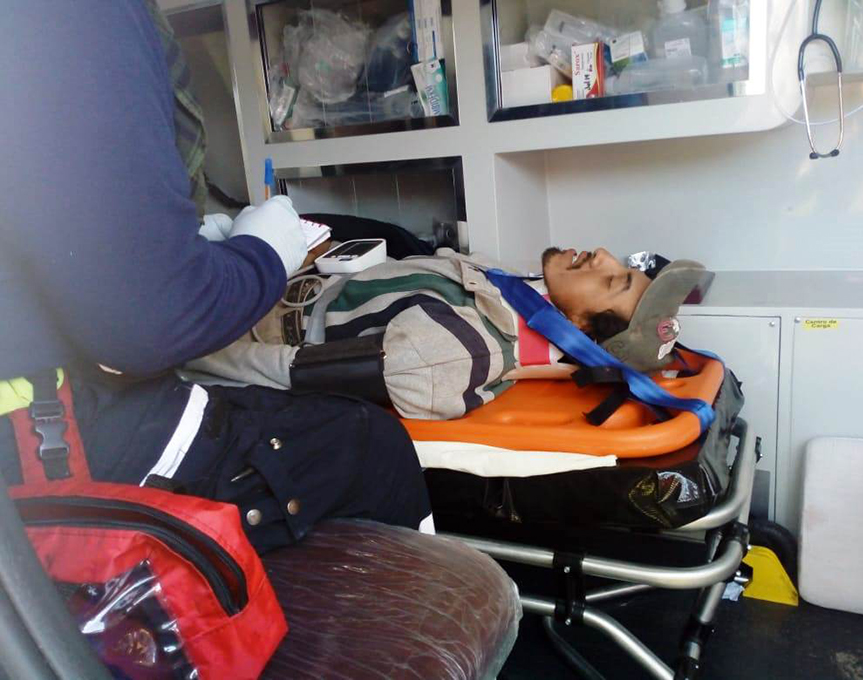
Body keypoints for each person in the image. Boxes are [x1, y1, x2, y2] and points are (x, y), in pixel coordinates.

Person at [0, 0, 432, 553]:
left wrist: (192, 250)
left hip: (45, 407)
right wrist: (265, 256)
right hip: (51, 434)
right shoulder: (78, 14)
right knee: (369, 444)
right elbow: (155, 321)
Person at [183, 242, 709, 421]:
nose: (604, 255)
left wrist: (185, 347)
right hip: (259, 279)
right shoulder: (509, 292)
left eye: (613, 281)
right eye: (623, 267)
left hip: (234, 324)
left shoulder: (463, 354)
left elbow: (292, 374)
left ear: (579, 327)